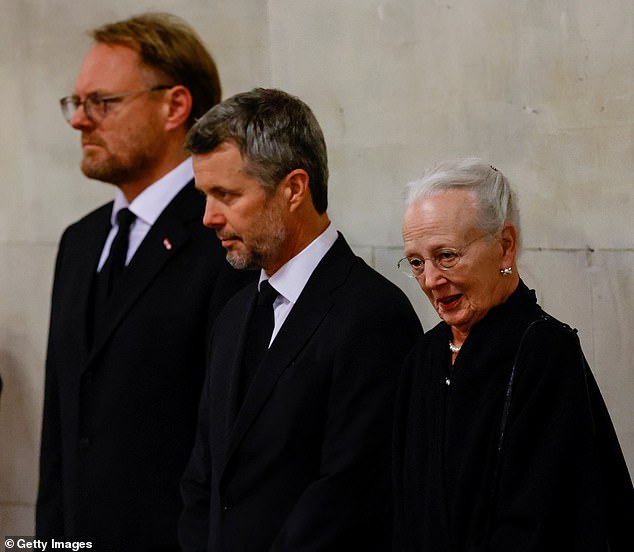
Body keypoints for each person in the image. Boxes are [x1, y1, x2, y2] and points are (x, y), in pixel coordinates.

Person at [37, 13, 252, 550]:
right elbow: (60, 433)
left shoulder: (225, 238)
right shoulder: (79, 242)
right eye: (77, 102)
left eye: (101, 103)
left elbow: (230, 438)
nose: (79, 121)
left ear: (174, 106)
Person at [178, 88, 422, 551]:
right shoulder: (233, 315)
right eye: (205, 195)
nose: (208, 217)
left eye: (226, 194)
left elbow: (350, 496)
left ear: (293, 188)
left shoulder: (373, 316)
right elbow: (202, 478)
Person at [393, 158, 634, 551]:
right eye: (417, 263)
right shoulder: (422, 360)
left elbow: (546, 523)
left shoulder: (544, 354)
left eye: (447, 256)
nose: (432, 280)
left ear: (505, 246)